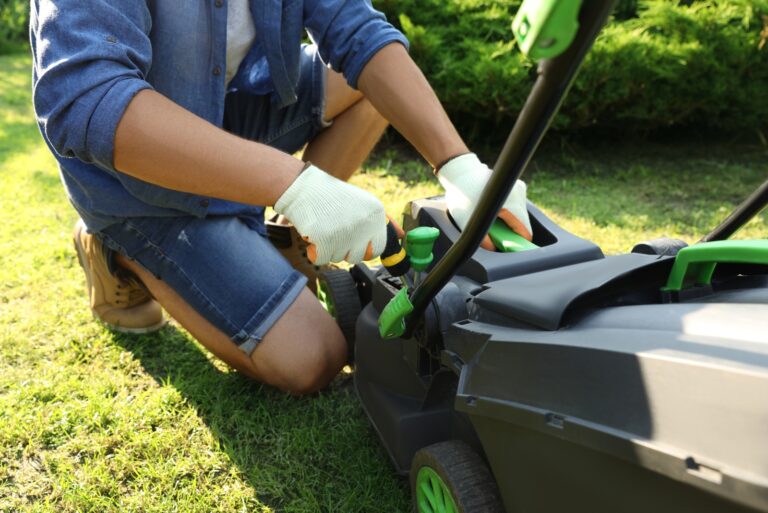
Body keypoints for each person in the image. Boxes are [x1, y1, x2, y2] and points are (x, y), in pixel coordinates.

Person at [30, 0, 532, 395]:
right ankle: (118, 251)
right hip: (137, 184)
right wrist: (295, 183)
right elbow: (86, 98)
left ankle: (292, 244)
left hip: (227, 108)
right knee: (312, 357)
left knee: (376, 85)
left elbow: (358, 30)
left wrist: (459, 165)